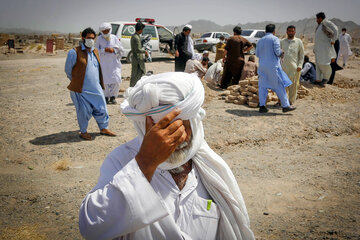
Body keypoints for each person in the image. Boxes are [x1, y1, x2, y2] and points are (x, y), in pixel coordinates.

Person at [79, 72, 255, 240]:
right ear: (145, 126)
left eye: (183, 127)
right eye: (166, 131)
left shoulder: (210, 166)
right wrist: (145, 163)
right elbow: (92, 226)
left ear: (195, 120)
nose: (181, 138)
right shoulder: (121, 160)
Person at [65, 27, 116, 140]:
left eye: (93, 38)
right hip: (81, 89)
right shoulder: (74, 52)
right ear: (83, 38)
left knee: (102, 107)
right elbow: (68, 70)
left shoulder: (95, 51)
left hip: (96, 88)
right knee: (83, 111)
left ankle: (103, 128)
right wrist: (77, 81)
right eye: (88, 38)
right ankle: (83, 131)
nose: (91, 40)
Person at [256, 24, 296, 113]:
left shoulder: (260, 41)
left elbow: (257, 54)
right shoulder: (275, 39)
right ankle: (285, 106)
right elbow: (278, 52)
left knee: (262, 86)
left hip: (262, 66)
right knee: (279, 85)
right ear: (274, 31)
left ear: (266, 31)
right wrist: (282, 51)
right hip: (273, 66)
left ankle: (262, 106)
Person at [95, 22, 125, 104]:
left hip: (114, 63)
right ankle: (105, 97)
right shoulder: (99, 39)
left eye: (107, 31)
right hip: (104, 64)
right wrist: (104, 50)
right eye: (104, 31)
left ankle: (113, 97)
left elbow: (121, 50)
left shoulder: (114, 38)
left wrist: (114, 50)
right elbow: (95, 50)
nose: (106, 33)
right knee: (104, 81)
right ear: (101, 31)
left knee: (116, 80)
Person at [280, 25, 304, 106]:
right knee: (282, 85)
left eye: (292, 31)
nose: (290, 32)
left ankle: (291, 101)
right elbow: (278, 54)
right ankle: (281, 101)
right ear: (286, 32)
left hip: (294, 68)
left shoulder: (298, 42)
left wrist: (300, 65)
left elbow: (301, 55)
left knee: (293, 85)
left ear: (295, 32)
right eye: (289, 31)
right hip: (283, 67)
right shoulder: (282, 41)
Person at [314, 12, 338, 87]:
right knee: (318, 64)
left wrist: (333, 40)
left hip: (324, 48)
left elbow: (336, 29)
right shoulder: (320, 25)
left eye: (317, 19)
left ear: (320, 18)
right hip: (319, 48)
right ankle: (318, 80)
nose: (316, 20)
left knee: (324, 63)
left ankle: (325, 78)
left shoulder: (326, 22)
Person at [130, 22, 149, 87]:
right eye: (142, 29)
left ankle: (132, 88)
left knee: (134, 75)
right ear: (140, 29)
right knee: (139, 74)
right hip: (138, 59)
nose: (142, 31)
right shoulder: (136, 38)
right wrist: (145, 51)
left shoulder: (134, 36)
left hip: (135, 58)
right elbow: (138, 50)